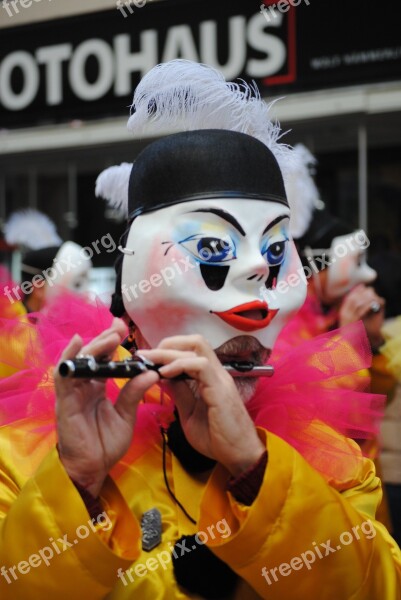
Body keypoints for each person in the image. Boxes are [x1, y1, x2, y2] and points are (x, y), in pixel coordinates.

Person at [0, 126, 400, 599]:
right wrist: (79, 485)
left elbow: (377, 588)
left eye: (275, 253)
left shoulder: (327, 457)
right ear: (130, 302)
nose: (255, 287)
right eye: (211, 249)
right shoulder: (31, 451)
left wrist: (256, 471)